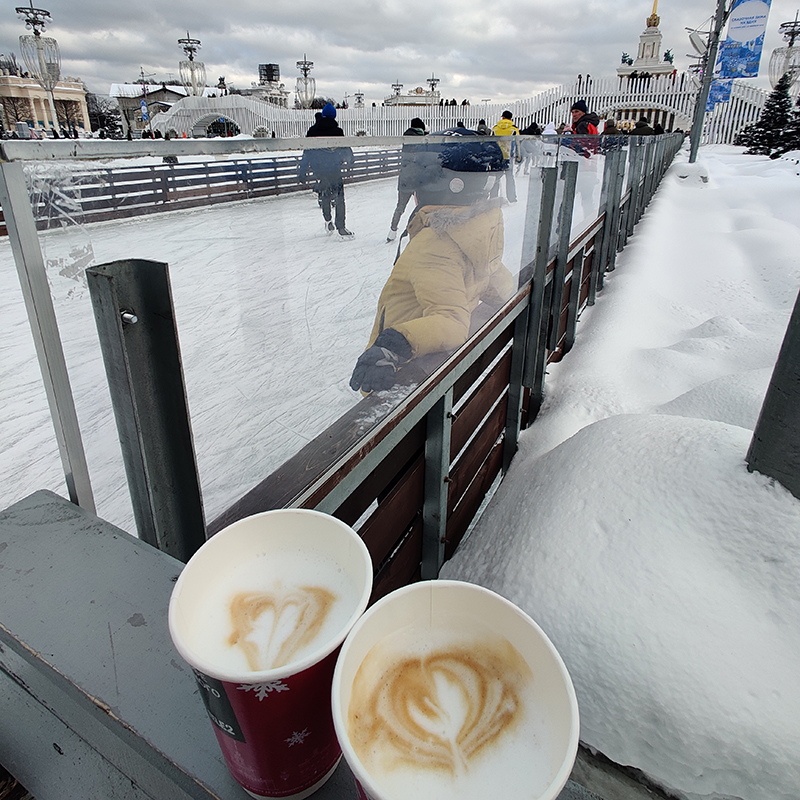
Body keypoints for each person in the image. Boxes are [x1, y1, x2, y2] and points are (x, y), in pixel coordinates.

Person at [350, 132, 514, 394]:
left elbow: (451, 320)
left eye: (421, 180)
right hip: (435, 375)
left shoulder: (436, 244)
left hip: (407, 381)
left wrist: (394, 345)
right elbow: (497, 281)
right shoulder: (480, 229)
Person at [298, 103, 355, 238]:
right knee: (339, 197)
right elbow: (344, 148)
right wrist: (350, 159)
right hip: (334, 168)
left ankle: (328, 220)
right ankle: (341, 227)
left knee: (325, 195)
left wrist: (303, 171)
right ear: (334, 116)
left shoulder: (312, 131)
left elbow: (307, 152)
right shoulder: (337, 131)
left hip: (319, 169)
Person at [387, 117, 427, 242]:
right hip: (417, 179)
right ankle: (422, 230)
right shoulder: (421, 140)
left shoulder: (406, 138)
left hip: (405, 177)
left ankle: (392, 231)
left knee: (400, 207)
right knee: (422, 206)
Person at [491, 111, 520, 202]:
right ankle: (512, 198)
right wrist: (518, 156)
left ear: (502, 118)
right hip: (508, 157)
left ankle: (493, 196)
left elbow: (491, 143)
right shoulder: (514, 129)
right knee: (509, 178)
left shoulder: (495, 129)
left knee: (496, 177)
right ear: (511, 119)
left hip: (497, 157)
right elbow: (518, 143)